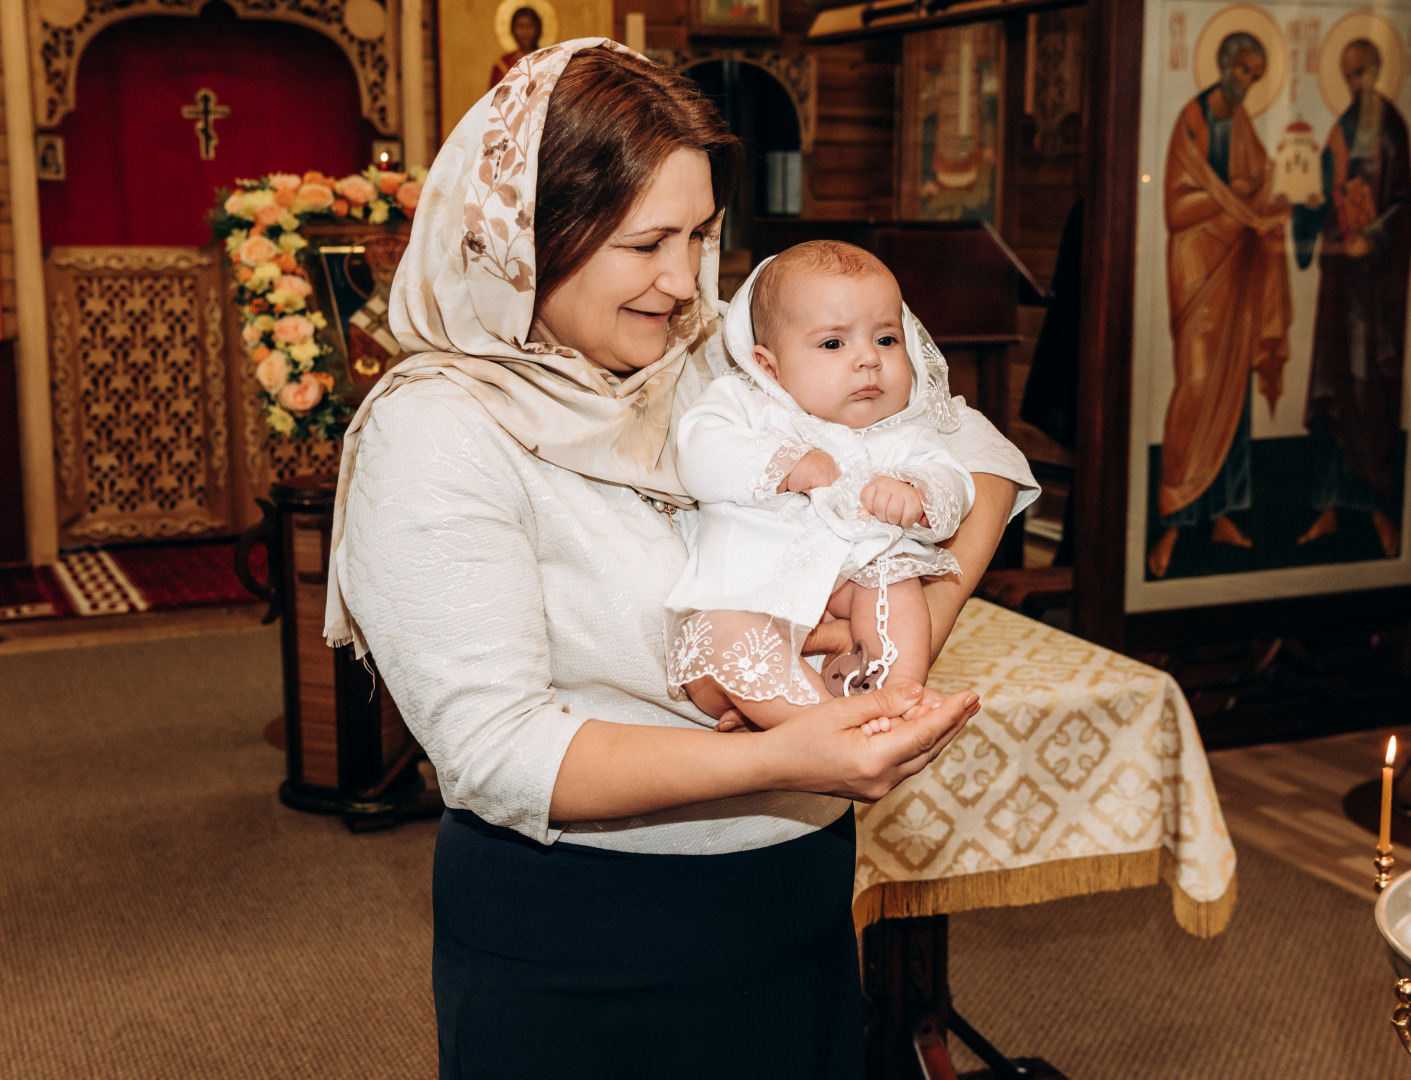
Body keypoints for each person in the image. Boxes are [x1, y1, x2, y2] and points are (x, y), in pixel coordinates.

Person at [322, 40, 1038, 1079]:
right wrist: (782, 756)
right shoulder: (438, 428)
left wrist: (900, 600)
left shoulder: (712, 349)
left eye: (701, 235)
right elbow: (494, 746)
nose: (685, 278)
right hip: (590, 930)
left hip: (796, 889)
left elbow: (972, 450)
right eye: (647, 242)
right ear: (534, 234)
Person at [667, 241, 973, 733]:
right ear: (768, 366)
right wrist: (784, 463)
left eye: (887, 340)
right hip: (750, 602)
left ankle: (895, 696)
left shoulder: (900, 432)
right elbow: (698, 451)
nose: (868, 360)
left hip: (845, 620)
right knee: (725, 635)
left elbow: (955, 481)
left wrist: (916, 491)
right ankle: (828, 727)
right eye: (834, 343)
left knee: (892, 573)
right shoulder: (747, 404)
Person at [1148, 30, 1291, 579]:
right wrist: (1236, 197)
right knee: (1199, 384)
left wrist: (1264, 195)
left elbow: (1251, 190)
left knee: (1234, 392)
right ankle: (1176, 516)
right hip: (1198, 269)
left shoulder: (1246, 125)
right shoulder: (1193, 120)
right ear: (1224, 64)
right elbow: (1179, 206)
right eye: (1242, 70)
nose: (1247, 82)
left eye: (1256, 75)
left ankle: (1221, 515)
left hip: (1237, 273)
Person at [1290, 38, 1411, 558]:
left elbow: (1404, 204)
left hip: (1376, 291)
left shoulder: (1392, 129)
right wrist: (1308, 209)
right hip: (1341, 285)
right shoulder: (1340, 132)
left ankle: (1379, 508)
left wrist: (1376, 236)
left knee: (1370, 391)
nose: (1356, 82)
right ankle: (1330, 506)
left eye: (1362, 71)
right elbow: (1315, 199)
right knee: (1335, 391)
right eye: (1348, 74)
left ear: (1379, 69)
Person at [488, 6, 543, 88]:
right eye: (520, 26)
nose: (525, 32)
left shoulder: (546, 61)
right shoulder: (503, 65)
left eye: (529, 26)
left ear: (537, 29)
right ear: (513, 30)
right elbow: (493, 98)